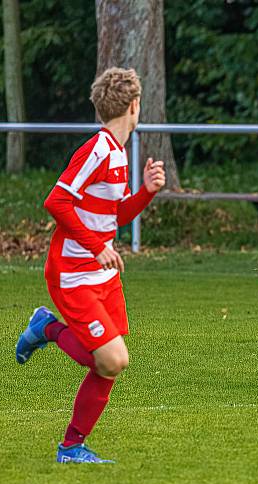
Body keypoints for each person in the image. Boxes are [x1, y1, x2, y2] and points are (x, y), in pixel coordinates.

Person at [14, 68, 166, 463]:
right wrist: (96, 246)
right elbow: (56, 202)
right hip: (73, 273)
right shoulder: (97, 149)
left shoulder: (118, 152)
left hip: (103, 274)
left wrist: (146, 192)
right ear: (134, 106)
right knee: (112, 358)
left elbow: (113, 216)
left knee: (108, 364)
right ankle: (46, 327)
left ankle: (72, 447)